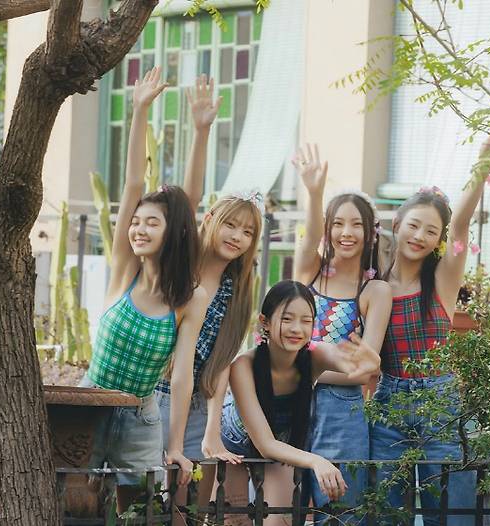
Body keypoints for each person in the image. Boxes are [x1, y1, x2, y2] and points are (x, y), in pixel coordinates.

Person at [81, 66, 207, 512]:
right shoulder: (124, 268)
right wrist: (138, 111)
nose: (138, 228)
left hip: (141, 417)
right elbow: (133, 184)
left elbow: (182, 374)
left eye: (151, 223)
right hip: (89, 405)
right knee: (76, 508)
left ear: (173, 233)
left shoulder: (188, 298)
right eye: (136, 221)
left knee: (137, 514)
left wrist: (176, 445)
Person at [370, 137, 490, 525]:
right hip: (389, 401)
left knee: (450, 512)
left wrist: (481, 169)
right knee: (387, 511)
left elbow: (462, 223)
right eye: (413, 225)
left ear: (439, 240)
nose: (419, 236)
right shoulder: (375, 285)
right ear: (397, 225)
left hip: (441, 402)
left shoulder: (443, 279)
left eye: (430, 231)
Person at [153, 75, 264, 520]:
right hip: (155, 392)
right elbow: (189, 196)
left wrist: (212, 430)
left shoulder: (238, 292)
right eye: (230, 224)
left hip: (197, 402)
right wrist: (202, 131)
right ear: (212, 219)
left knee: (189, 508)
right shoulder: (184, 265)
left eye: (248, 232)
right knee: (144, 501)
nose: (237, 236)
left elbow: (220, 365)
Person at [219, 280, 381, 526]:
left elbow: (358, 364)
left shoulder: (315, 356)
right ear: (265, 322)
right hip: (235, 444)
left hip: (281, 442)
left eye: (306, 321)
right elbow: (264, 444)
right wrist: (317, 460)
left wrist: (370, 361)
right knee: (235, 522)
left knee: (278, 522)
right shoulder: (244, 366)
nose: (297, 329)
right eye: (287, 319)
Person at [293, 144, 392, 522]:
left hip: (341, 410)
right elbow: (308, 240)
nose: (346, 233)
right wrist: (314, 192)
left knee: (340, 511)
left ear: (370, 233)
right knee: (280, 507)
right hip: (290, 401)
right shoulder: (311, 271)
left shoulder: (375, 291)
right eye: (337, 223)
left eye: (356, 224)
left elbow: (364, 369)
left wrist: (309, 371)